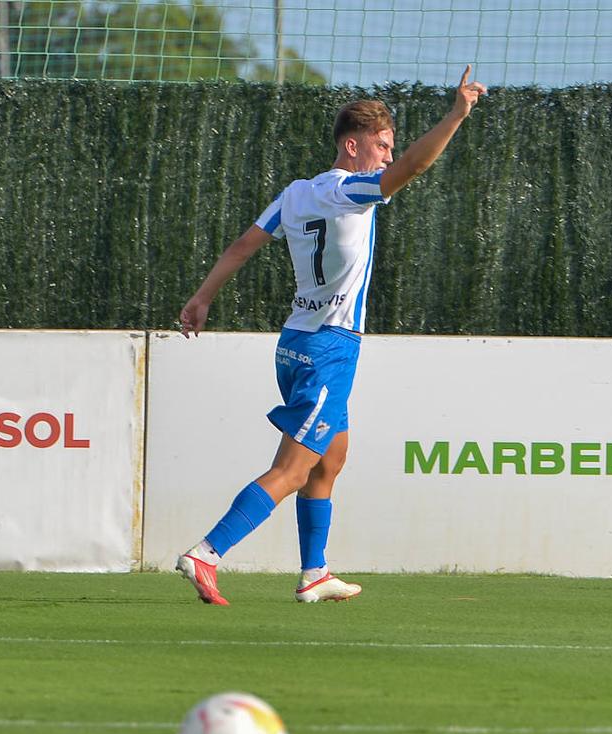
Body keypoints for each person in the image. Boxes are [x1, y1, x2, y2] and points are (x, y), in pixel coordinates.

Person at [176, 66, 487, 605]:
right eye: (382, 145)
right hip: (330, 348)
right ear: (352, 145)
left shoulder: (296, 193)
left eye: (389, 146)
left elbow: (243, 246)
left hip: (294, 343)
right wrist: (456, 114)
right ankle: (206, 553)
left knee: (331, 459)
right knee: (292, 470)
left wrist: (202, 297)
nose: (388, 156)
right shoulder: (353, 192)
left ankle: (314, 573)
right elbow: (414, 166)